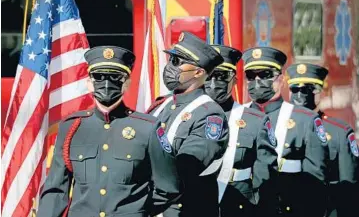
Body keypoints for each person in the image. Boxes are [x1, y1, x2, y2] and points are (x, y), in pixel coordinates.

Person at [37, 46, 181, 217]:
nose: (106, 84)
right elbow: (56, 190)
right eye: (99, 77)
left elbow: (168, 188)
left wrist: (137, 210)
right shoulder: (72, 127)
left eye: (115, 77)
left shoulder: (147, 128)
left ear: (126, 83)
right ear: (89, 83)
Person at [146, 32, 229, 217]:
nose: (170, 66)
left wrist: (143, 203)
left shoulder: (209, 114)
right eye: (171, 59)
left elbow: (183, 171)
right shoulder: (162, 104)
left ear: (199, 72)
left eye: (177, 62)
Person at [242, 47, 328, 217]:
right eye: (251, 76)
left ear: (280, 80)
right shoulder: (237, 116)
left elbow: (315, 184)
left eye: (265, 74)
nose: (257, 81)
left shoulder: (305, 120)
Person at [204, 45, 278, 217]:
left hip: (239, 206)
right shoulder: (188, 117)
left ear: (234, 80)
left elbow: (265, 176)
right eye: (210, 76)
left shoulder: (255, 120)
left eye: (222, 77)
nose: (214, 84)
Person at [286, 63, 359, 217]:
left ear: (320, 92)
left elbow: (349, 189)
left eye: (307, 90)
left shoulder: (339, 132)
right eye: (295, 89)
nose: (300, 95)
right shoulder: (278, 128)